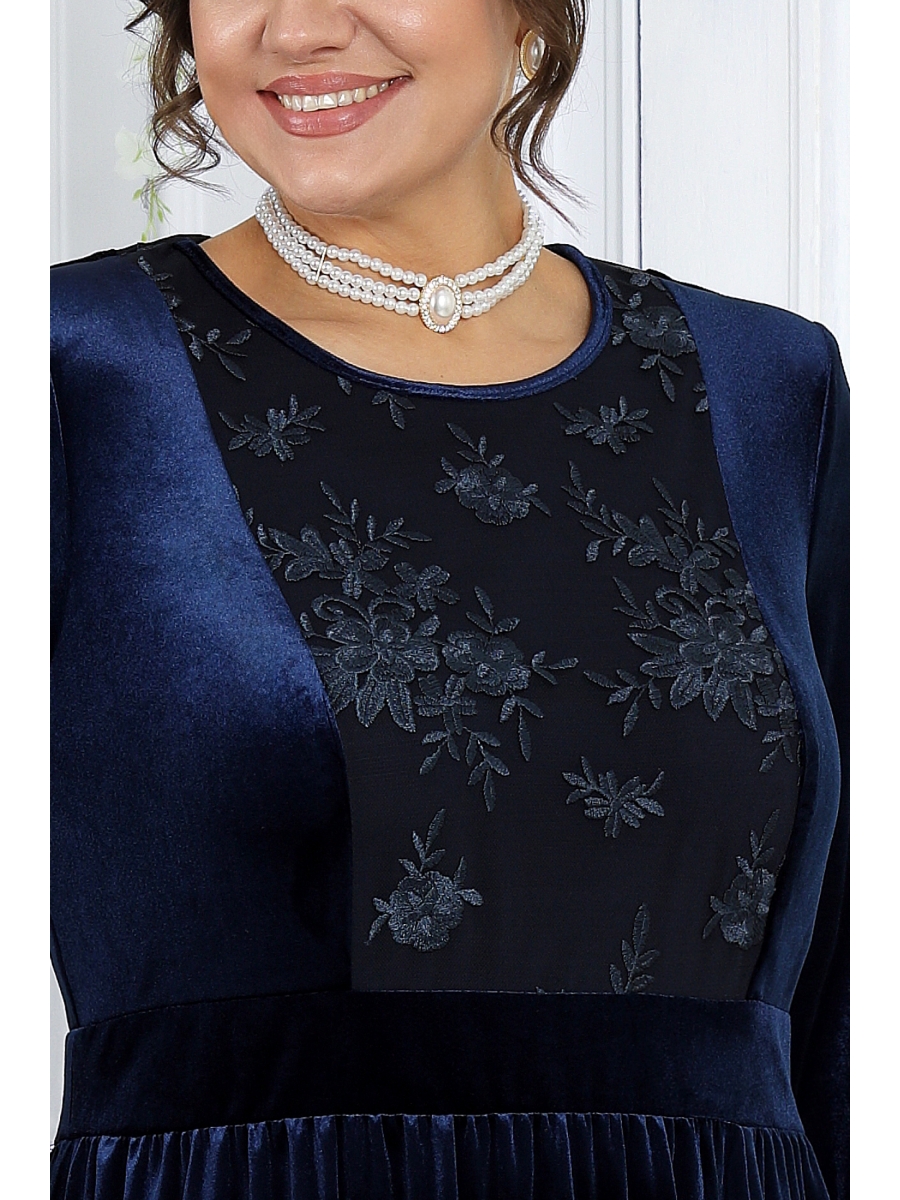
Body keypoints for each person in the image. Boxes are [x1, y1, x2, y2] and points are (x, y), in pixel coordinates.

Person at [50, 1, 848, 1197]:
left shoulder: (769, 386)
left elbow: (840, 997)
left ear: (529, 15)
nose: (296, 28)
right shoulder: (72, 368)